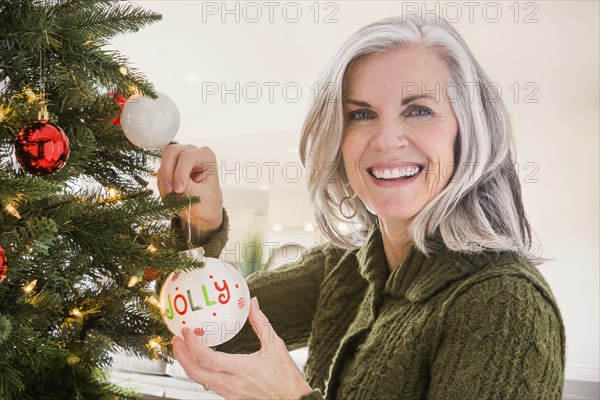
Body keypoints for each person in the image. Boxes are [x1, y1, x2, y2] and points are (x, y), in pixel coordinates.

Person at [157, 15, 565, 400]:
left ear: (468, 134)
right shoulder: (343, 268)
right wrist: (201, 227)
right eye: (361, 114)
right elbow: (208, 331)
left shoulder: (506, 303)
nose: (386, 140)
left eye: (419, 110)